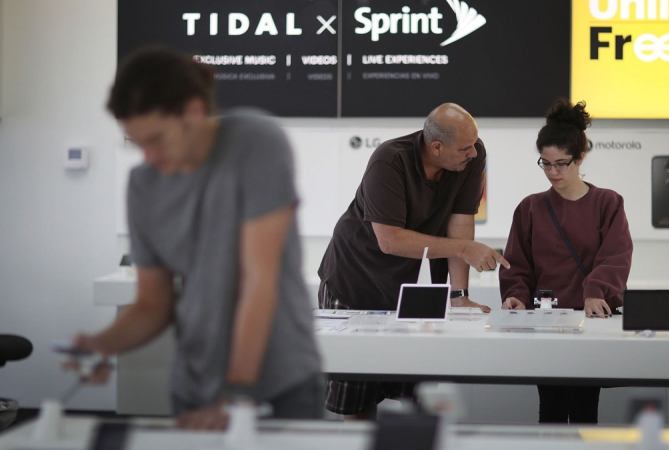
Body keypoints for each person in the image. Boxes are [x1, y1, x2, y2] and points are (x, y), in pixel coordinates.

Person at [68, 47, 323, 428]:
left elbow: (258, 280)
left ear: (193, 111)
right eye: (138, 144)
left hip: (279, 383)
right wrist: (101, 345)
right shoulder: (144, 186)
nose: (149, 156)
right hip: (195, 385)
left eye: (157, 139)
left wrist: (236, 395)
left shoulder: (255, 141)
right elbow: (153, 304)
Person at [318, 103, 510, 418]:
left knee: (421, 394)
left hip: (415, 289)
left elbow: (460, 222)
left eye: (474, 144)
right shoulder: (389, 160)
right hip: (355, 279)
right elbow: (390, 240)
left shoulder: (472, 157)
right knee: (358, 398)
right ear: (436, 147)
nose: (473, 152)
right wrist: (464, 249)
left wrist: (459, 295)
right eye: (464, 148)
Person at [499, 99, 633, 424]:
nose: (553, 172)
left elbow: (616, 255)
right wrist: (516, 295)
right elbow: (517, 262)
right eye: (545, 164)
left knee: (586, 409)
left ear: (581, 156)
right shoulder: (530, 208)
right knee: (551, 410)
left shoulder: (607, 203)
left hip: (591, 320)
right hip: (545, 322)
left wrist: (596, 291)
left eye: (561, 163)